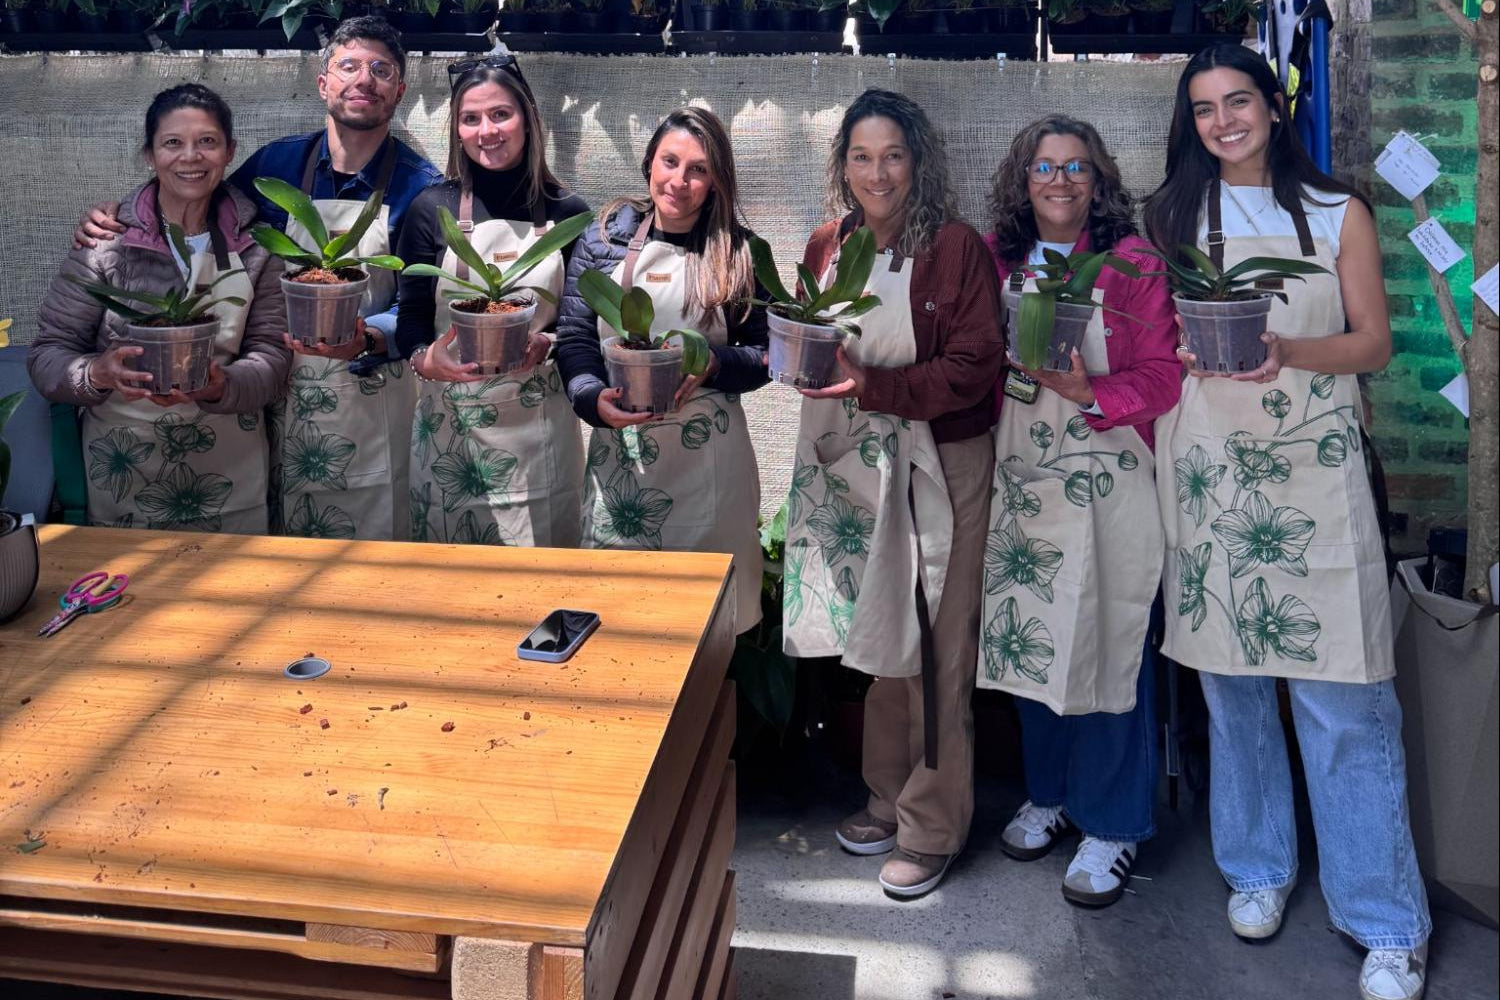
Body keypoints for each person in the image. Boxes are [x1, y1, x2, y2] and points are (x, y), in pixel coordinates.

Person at [1145, 44, 1430, 1000]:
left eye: (1238, 101)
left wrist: (1284, 350)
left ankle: (1385, 921)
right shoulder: (1172, 216)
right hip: (1211, 477)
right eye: (1203, 109)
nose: (1223, 121)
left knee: (1346, 700)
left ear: (1273, 105)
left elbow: (1375, 342)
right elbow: (1152, 341)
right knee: (1233, 692)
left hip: (1314, 475)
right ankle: (1258, 869)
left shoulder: (1335, 210)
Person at [75, 17, 443, 541]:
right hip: (269, 389)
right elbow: (193, 197)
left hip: (368, 394)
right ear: (323, 83)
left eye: (381, 70)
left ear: (399, 91)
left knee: (366, 534)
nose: (364, 80)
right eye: (349, 66)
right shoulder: (277, 165)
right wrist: (121, 214)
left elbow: (420, 304)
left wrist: (369, 335)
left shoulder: (422, 187)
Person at [783, 89, 1005, 898]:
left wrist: (868, 384)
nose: (878, 173)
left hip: (943, 460)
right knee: (879, 632)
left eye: (894, 156)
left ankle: (934, 825)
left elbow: (974, 367)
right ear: (842, 165)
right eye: (862, 156)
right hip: (860, 460)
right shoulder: (826, 244)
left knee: (942, 645)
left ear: (919, 161)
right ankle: (886, 794)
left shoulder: (954, 249)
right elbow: (812, 343)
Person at [980, 115, 1179, 907]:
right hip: (1026, 480)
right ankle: (1053, 794)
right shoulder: (999, 260)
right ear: (1021, 181)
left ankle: (1116, 823)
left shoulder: (1132, 265)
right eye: (1043, 167)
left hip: (1109, 478)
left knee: (1108, 641)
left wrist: (1089, 392)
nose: (1058, 181)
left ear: (1098, 181)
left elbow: (1164, 376)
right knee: (1033, 637)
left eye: (1075, 168)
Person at [29, 84, 289, 533]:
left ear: (230, 152)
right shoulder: (106, 244)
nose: (190, 156)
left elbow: (272, 355)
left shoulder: (258, 245)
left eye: (207, 141)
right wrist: (97, 373)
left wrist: (221, 384)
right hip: (126, 462)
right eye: (173, 143)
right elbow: (48, 353)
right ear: (150, 154)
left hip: (229, 466)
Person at [556, 106, 769, 631]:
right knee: (620, 613)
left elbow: (768, 354)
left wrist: (716, 363)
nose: (680, 181)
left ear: (715, 179)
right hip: (622, 458)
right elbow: (575, 334)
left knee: (709, 623)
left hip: (710, 467)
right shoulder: (604, 238)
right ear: (650, 163)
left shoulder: (739, 252)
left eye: (698, 169)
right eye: (670, 162)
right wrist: (589, 397)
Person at [394, 54, 590, 546]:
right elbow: (412, 319)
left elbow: (584, 325)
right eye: (471, 118)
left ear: (527, 118)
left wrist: (549, 340)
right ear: (457, 131)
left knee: (539, 574)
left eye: (501, 114)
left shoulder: (568, 213)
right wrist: (425, 360)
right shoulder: (431, 209)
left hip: (538, 429)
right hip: (450, 430)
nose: (488, 130)